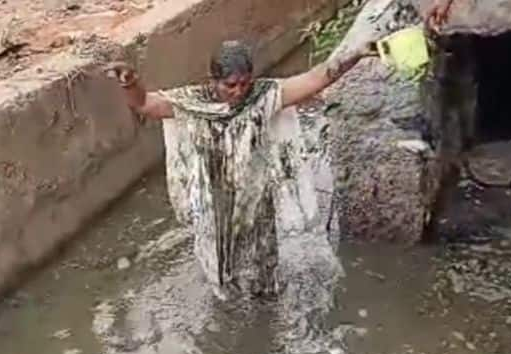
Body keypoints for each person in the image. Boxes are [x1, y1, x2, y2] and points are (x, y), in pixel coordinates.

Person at [105, 40, 376, 299]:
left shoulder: (263, 97)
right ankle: (226, 317)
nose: (238, 91)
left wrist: (354, 54)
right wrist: (130, 82)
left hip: (256, 201)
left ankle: (263, 321)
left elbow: (316, 79)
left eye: (245, 83)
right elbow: (144, 104)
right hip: (215, 203)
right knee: (221, 279)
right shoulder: (194, 103)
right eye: (230, 85)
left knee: (263, 279)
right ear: (212, 81)